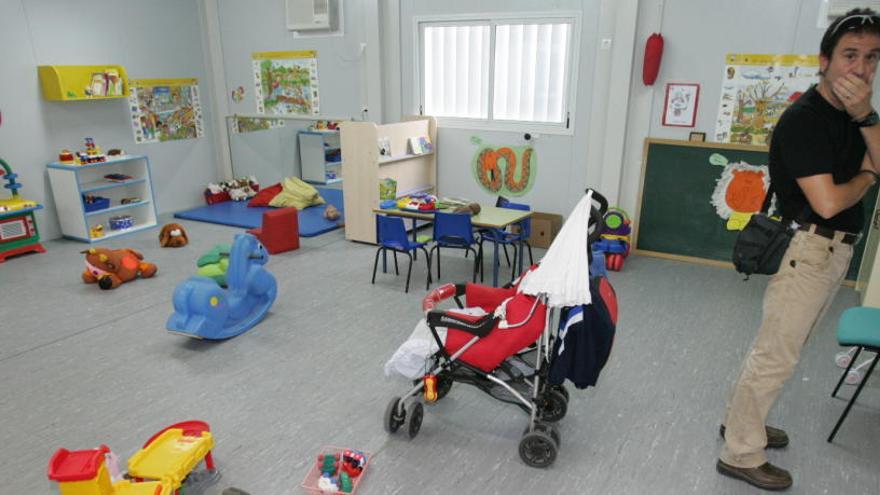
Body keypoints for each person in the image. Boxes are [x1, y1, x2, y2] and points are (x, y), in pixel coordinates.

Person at [717, 8, 880, 491]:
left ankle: (741, 421)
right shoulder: (803, 120)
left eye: (872, 58)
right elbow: (828, 202)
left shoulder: (857, 115)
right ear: (824, 61)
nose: (861, 68)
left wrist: (867, 118)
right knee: (776, 355)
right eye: (850, 55)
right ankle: (740, 452)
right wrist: (870, 176)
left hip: (832, 253)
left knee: (781, 349)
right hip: (809, 249)